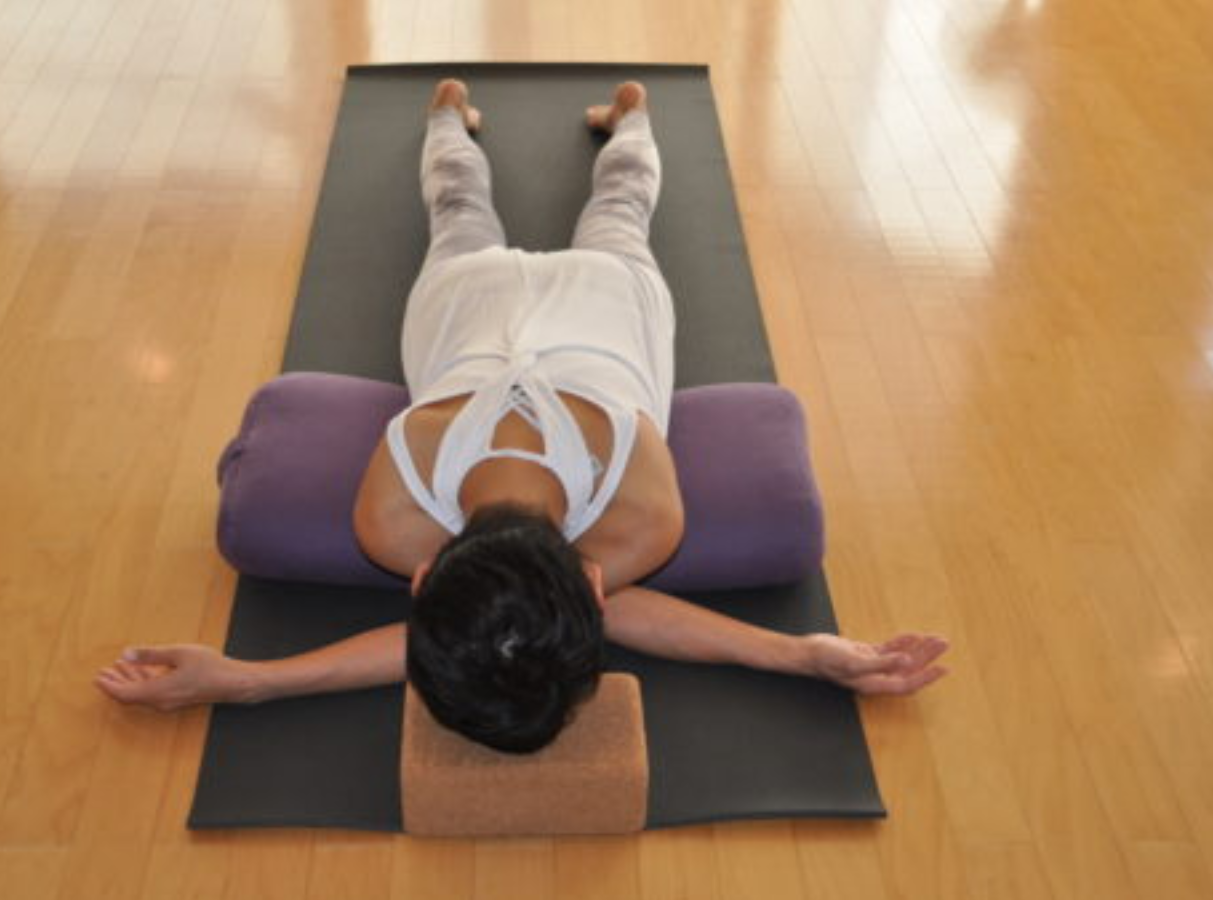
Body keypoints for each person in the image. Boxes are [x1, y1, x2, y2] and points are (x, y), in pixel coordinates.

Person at [95, 80, 949, 750]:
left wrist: (255, 680)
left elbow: (556, 609)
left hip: (600, 307)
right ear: (422, 580)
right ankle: (495, 114)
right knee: (467, 212)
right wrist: (245, 680)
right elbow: (481, 616)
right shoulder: (392, 522)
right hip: (470, 309)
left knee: (615, 210)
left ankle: (566, 113)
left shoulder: (642, 518)